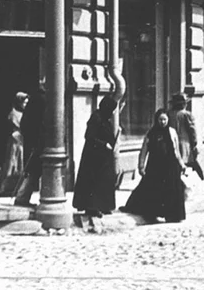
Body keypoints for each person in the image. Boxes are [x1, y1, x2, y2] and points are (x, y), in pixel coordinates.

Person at [120, 108, 187, 223]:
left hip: (171, 166)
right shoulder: (151, 133)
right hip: (156, 167)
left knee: (171, 191)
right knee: (152, 190)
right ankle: (152, 214)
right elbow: (144, 151)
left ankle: (172, 216)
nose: (163, 122)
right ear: (156, 120)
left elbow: (176, 151)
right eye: (160, 120)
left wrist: (182, 164)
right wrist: (141, 166)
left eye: (165, 119)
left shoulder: (172, 132)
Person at [73, 94, 121, 232]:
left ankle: (103, 206)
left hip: (103, 158)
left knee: (104, 181)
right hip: (93, 158)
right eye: (111, 109)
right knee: (93, 183)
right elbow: (89, 137)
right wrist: (104, 144)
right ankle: (92, 207)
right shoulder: (96, 118)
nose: (112, 113)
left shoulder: (105, 118)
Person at [12, 87, 46, 207]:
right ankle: (22, 198)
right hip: (38, 143)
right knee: (34, 171)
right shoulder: (43, 100)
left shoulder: (35, 100)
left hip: (31, 141)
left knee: (32, 171)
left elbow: (25, 124)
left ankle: (22, 197)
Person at [164, 92, 200, 178]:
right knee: (186, 164)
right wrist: (194, 143)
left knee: (174, 164)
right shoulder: (187, 115)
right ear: (183, 104)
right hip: (185, 143)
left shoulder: (168, 114)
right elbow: (193, 131)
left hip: (171, 142)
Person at [0, 91, 28, 196]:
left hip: (21, 141)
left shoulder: (24, 113)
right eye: (24, 103)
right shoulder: (13, 114)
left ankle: (17, 189)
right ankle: (5, 188)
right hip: (15, 141)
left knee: (20, 165)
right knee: (12, 163)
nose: (25, 105)